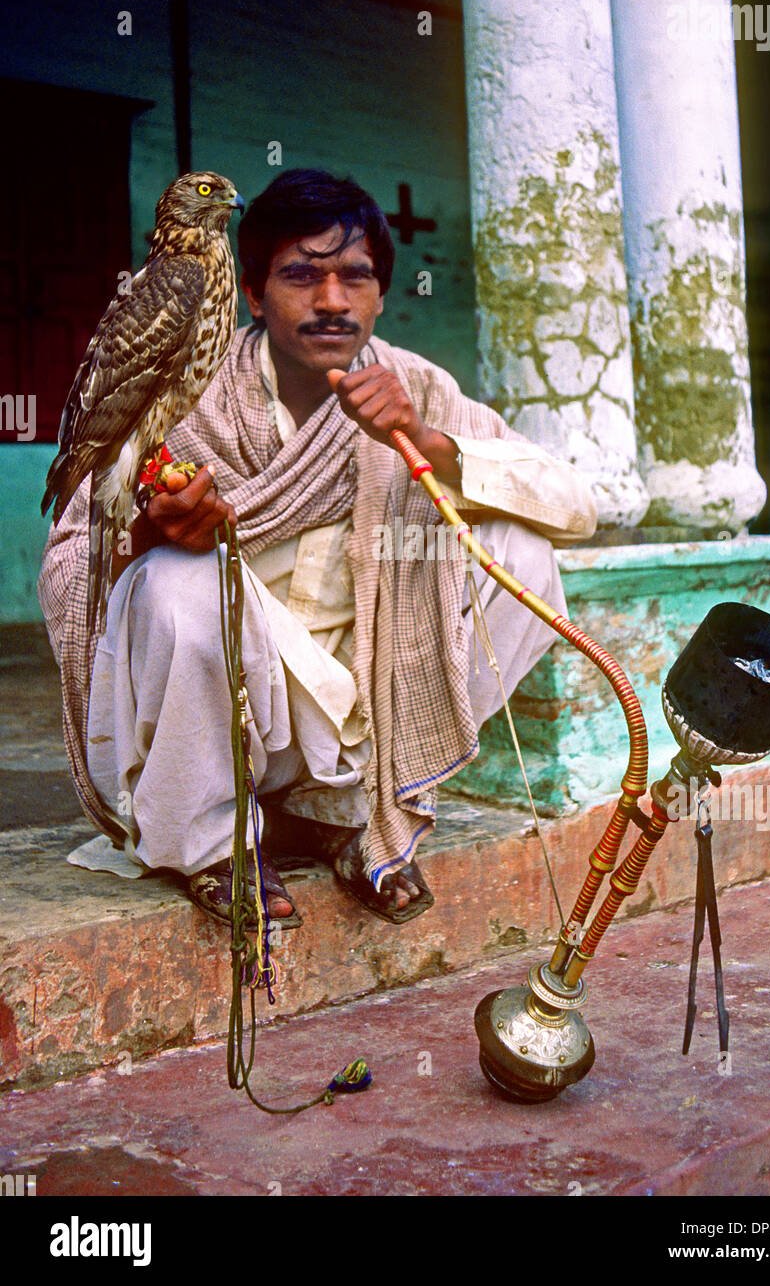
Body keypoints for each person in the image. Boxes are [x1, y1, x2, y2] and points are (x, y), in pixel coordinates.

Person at [38, 168, 598, 926]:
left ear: (380, 292)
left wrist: (426, 441)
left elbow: (573, 503)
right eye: (302, 275)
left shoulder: (414, 386)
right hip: (231, 715)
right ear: (252, 292)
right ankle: (215, 842)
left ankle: (347, 810)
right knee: (175, 582)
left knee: (523, 551)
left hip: (360, 714)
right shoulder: (192, 385)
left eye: (354, 278)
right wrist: (151, 536)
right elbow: (73, 555)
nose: (331, 301)